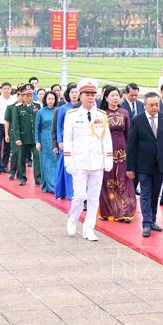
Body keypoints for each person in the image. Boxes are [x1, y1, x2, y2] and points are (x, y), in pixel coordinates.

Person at [64, 78, 113, 241]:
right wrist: (68, 161)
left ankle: (89, 228)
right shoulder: (71, 115)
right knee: (79, 195)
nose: (90, 97)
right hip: (79, 162)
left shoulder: (102, 115)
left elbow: (106, 138)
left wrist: (108, 159)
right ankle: (72, 219)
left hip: (97, 161)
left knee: (93, 197)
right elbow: (68, 139)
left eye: (92, 94)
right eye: (87, 94)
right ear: (80, 96)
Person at [126, 91, 163, 238]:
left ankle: (152, 219)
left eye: (157, 105)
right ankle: (146, 223)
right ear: (145, 105)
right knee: (146, 194)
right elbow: (131, 146)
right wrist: (130, 167)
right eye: (151, 105)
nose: (155, 107)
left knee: (155, 194)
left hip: (160, 165)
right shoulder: (137, 120)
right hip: (143, 165)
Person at [98, 86, 136, 222]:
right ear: (106, 98)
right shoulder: (101, 114)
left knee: (123, 180)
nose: (115, 98)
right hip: (106, 151)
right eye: (112, 95)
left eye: (117, 95)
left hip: (122, 151)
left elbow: (129, 134)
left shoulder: (124, 112)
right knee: (107, 181)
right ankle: (107, 210)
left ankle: (123, 211)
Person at [12, 84, 41, 186]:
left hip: (34, 138)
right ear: (23, 96)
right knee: (21, 158)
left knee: (37, 157)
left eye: (31, 95)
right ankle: (22, 178)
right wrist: (17, 138)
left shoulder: (37, 106)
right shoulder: (18, 108)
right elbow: (16, 124)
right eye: (27, 95)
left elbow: (38, 123)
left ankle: (38, 179)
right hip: (23, 138)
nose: (29, 97)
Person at [55, 83, 79, 200]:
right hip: (67, 141)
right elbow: (59, 126)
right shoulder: (63, 108)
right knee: (67, 167)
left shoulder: (81, 107)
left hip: (79, 141)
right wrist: (60, 141)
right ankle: (69, 192)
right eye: (72, 92)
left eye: (76, 92)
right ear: (68, 94)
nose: (74, 94)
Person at [36, 91, 59, 193]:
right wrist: (37, 141)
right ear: (45, 100)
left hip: (55, 139)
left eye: (53, 99)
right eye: (49, 99)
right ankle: (50, 185)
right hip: (44, 139)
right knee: (46, 162)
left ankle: (56, 184)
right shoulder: (40, 112)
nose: (51, 101)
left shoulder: (58, 111)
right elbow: (37, 128)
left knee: (55, 161)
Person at [4, 86, 25, 181]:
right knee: (16, 153)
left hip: (25, 134)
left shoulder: (28, 107)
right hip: (13, 134)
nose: (24, 97)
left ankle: (20, 175)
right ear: (18, 95)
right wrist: (6, 134)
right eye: (22, 95)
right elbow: (7, 121)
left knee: (22, 155)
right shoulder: (11, 107)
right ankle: (12, 171)